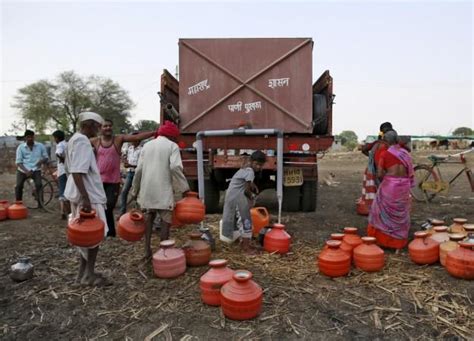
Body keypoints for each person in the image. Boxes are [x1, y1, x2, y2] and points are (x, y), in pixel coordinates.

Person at [131, 120, 190, 259]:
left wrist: (135, 190)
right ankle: (162, 252)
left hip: (147, 189)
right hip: (163, 190)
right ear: (171, 136)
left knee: (149, 218)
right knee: (165, 221)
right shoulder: (172, 146)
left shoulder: (147, 146)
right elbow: (175, 167)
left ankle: (147, 250)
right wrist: (185, 188)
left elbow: (138, 170)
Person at [64, 112, 111, 286]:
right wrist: (86, 199)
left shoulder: (74, 139)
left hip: (80, 193)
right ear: (89, 125)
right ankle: (89, 275)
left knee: (84, 236)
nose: (98, 131)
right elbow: (77, 171)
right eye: (97, 127)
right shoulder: (83, 142)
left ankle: (82, 274)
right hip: (88, 195)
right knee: (93, 236)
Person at [91, 119, 154, 237]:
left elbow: (136, 137)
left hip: (113, 181)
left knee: (109, 206)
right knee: (99, 206)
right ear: (100, 128)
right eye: (105, 126)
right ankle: (106, 231)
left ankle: (108, 230)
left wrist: (154, 132)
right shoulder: (95, 141)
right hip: (98, 181)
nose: (108, 128)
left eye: (109, 125)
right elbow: (80, 143)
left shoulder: (118, 139)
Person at [367, 130, 415, 249]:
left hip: (390, 186)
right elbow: (410, 171)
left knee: (379, 210)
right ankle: (399, 243)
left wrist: (387, 177)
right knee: (402, 212)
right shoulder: (405, 153)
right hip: (404, 185)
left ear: (386, 140)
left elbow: (379, 174)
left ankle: (384, 241)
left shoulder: (385, 154)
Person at [221, 150, 266, 254]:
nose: (259, 167)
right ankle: (246, 248)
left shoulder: (245, 169)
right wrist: (253, 197)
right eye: (257, 164)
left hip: (233, 197)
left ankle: (244, 243)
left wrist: (253, 186)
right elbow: (246, 191)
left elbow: (246, 183)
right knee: (246, 222)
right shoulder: (250, 171)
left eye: (261, 165)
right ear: (251, 161)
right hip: (238, 199)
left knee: (240, 221)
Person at [356, 122, 393, 215]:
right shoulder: (388, 146)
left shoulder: (377, 143)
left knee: (373, 192)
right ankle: (379, 210)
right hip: (379, 171)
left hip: (371, 170)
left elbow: (364, 149)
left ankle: (374, 209)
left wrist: (370, 158)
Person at [15, 130, 49, 207]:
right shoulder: (20, 148)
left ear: (34, 137)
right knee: (18, 186)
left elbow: (46, 157)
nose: (30, 138)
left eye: (31, 137)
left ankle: (41, 204)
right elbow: (18, 162)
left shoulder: (40, 146)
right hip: (23, 170)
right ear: (25, 138)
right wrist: (26, 171)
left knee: (39, 185)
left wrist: (42, 161)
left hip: (36, 169)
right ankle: (18, 205)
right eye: (28, 137)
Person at [119, 136, 142, 216]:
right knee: (124, 191)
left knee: (137, 193)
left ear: (138, 141)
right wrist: (125, 162)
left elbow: (141, 165)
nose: (132, 142)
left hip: (138, 174)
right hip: (130, 173)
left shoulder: (142, 150)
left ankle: (137, 212)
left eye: (134, 140)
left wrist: (130, 165)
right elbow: (125, 158)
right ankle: (122, 211)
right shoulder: (130, 149)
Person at [52, 130, 70, 219]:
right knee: (68, 189)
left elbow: (58, 153)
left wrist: (62, 160)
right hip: (68, 170)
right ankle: (68, 211)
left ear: (57, 138)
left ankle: (63, 212)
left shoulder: (60, 145)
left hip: (62, 171)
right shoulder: (67, 144)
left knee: (62, 191)